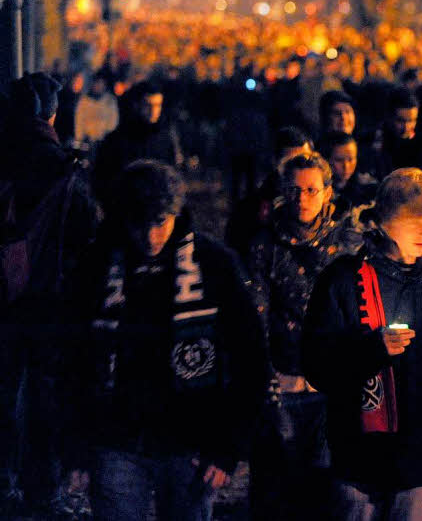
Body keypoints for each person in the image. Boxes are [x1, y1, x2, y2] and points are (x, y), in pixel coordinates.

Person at [63, 161, 266, 521]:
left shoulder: (213, 264)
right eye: (139, 224)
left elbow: (250, 356)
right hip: (117, 438)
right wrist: (76, 447)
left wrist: (228, 449)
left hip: (191, 441)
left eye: (160, 223)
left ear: (175, 214)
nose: (151, 237)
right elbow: (73, 357)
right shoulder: (97, 264)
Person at [303, 168, 422, 521]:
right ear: (385, 223)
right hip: (360, 457)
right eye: (413, 221)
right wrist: (371, 350)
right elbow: (316, 364)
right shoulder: (344, 279)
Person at [0, 73, 97, 516]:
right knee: (44, 396)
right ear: (53, 115)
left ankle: (2, 483)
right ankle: (43, 490)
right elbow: (87, 238)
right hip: (47, 303)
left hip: (1, 300)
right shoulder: (64, 168)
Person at [247, 152, 351, 519]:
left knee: (324, 489)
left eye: (311, 189)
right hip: (283, 383)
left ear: (326, 193)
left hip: (331, 390)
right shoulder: (265, 244)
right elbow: (256, 310)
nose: (302, 198)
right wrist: (267, 377)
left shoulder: (346, 244)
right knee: (276, 486)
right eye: (294, 190)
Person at [92, 80, 184, 209]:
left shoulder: (165, 138)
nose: (153, 110)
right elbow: (102, 179)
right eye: (148, 105)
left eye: (157, 105)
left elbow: (173, 176)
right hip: (125, 208)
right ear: (137, 105)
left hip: (157, 209)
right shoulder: (117, 140)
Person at [225, 126, 313, 257]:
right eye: (289, 163)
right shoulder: (249, 210)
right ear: (275, 162)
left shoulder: (326, 203)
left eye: (304, 161)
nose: (298, 170)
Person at [319, 131, 378, 219]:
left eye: (350, 159)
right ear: (327, 160)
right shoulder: (320, 190)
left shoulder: (368, 187)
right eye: (339, 160)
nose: (346, 166)